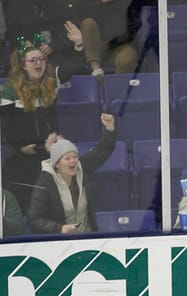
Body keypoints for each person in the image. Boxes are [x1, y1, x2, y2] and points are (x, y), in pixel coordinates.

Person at [0, 36, 79, 213]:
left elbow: (75, 65)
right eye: (33, 60)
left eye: (41, 59)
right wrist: (20, 148)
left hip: (49, 153)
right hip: (22, 153)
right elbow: (5, 127)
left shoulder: (52, 82)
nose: (38, 63)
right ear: (23, 65)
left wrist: (78, 44)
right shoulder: (10, 90)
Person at [25, 113, 117, 234]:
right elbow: (33, 220)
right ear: (57, 164)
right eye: (67, 158)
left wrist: (109, 129)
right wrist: (60, 228)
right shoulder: (45, 182)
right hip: (61, 242)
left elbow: (103, 150)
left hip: (88, 236)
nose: (73, 161)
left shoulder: (81, 168)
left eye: (75, 156)